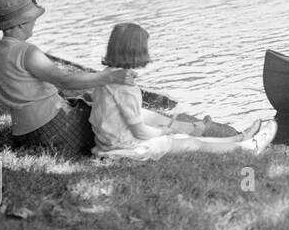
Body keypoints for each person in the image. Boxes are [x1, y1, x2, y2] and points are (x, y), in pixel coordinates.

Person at [0, 0, 134, 155]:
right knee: (109, 118)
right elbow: (64, 81)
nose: (35, 23)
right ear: (21, 24)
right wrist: (108, 77)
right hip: (55, 127)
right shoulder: (27, 52)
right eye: (33, 19)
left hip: (24, 137)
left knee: (87, 100)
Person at [89, 22, 275, 159]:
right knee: (190, 143)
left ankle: (239, 139)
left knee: (185, 139)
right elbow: (141, 134)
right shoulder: (125, 88)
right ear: (135, 51)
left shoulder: (106, 77)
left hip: (107, 146)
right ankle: (248, 148)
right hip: (126, 151)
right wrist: (163, 131)